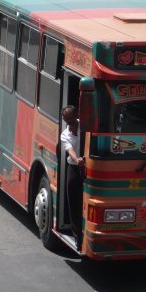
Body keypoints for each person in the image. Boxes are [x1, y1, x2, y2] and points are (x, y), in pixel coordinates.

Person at [60, 105, 84, 247]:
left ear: (77, 115)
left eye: (71, 119)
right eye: (66, 120)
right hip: (74, 168)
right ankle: (78, 238)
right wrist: (77, 160)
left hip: (89, 167)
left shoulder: (86, 127)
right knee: (74, 203)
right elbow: (70, 151)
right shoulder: (64, 135)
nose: (69, 122)